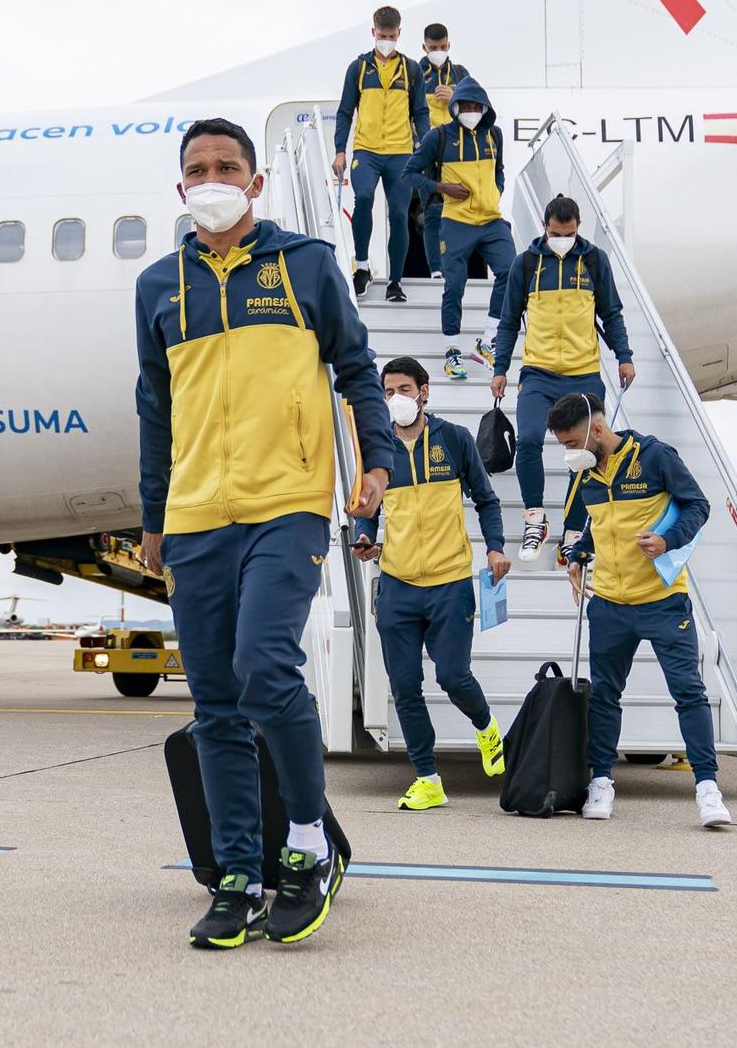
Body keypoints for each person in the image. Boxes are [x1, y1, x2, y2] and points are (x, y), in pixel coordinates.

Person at [135, 117, 394, 949]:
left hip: (286, 501)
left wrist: (376, 461)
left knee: (264, 669)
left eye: (227, 166)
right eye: (197, 168)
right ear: (182, 188)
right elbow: (154, 412)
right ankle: (238, 873)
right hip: (194, 514)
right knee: (214, 703)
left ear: (255, 182)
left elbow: (356, 369)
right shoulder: (159, 285)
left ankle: (310, 842)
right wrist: (151, 518)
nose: (212, 178)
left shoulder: (306, 265)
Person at [550, 393, 730, 828]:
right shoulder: (585, 475)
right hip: (609, 604)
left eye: (572, 441)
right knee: (605, 696)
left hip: (664, 603)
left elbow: (698, 506)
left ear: (596, 430)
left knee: (688, 692)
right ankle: (602, 782)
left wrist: (669, 541)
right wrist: (577, 556)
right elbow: (599, 526)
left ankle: (707, 788)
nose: (568, 451)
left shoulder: (653, 457)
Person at [350, 357, 510, 810]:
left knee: (453, 676)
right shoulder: (377, 450)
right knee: (404, 686)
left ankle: (486, 727)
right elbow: (373, 513)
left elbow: (486, 499)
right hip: (397, 585)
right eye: (386, 392)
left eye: (403, 389)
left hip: (450, 581)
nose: (394, 399)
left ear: (424, 392)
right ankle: (427, 778)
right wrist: (366, 539)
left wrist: (495, 547)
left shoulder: (455, 439)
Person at [488, 196, 634, 561]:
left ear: (578, 228)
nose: (562, 239)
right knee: (530, 441)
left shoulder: (595, 261)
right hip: (538, 371)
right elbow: (508, 321)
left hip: (583, 373)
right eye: (556, 233)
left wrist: (624, 356)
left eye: (568, 234)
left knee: (585, 453)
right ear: (544, 225)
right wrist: (500, 368)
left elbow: (611, 313)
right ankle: (535, 519)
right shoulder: (527, 263)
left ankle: (572, 530)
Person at [411, 79, 515, 381]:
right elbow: (410, 172)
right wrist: (441, 188)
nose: (470, 111)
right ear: (455, 108)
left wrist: (496, 191)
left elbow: (499, 170)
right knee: (454, 285)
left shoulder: (494, 135)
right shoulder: (439, 136)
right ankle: (452, 351)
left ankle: (488, 340)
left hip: (491, 220)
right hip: (456, 221)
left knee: (511, 270)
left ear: (484, 108)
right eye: (464, 106)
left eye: (475, 106)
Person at [332, 6, 430, 303]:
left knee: (400, 215)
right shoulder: (358, 68)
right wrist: (340, 150)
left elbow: (421, 112)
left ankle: (396, 282)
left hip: (400, 152)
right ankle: (361, 266)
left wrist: (424, 146)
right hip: (368, 149)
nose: (386, 40)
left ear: (399, 34)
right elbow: (345, 111)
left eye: (391, 35)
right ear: (373, 33)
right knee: (363, 198)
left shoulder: (411, 69)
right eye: (381, 35)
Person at [414, 23, 468, 278]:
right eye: (432, 48)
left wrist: (455, 96)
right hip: (427, 150)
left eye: (442, 47)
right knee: (433, 210)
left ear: (449, 45)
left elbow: (478, 108)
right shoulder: (413, 73)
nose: (438, 51)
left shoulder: (460, 73)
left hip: (456, 150)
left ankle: (455, 265)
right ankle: (436, 269)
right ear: (424, 47)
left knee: (459, 211)